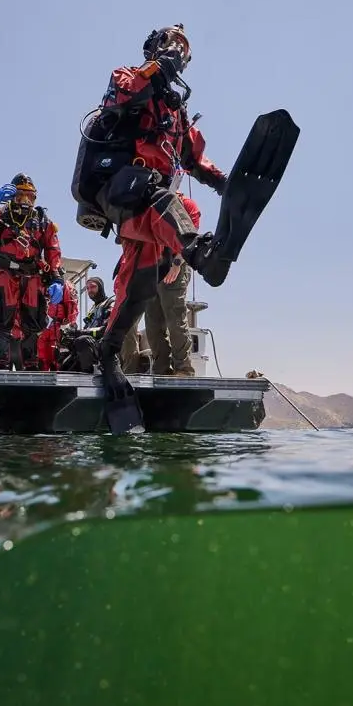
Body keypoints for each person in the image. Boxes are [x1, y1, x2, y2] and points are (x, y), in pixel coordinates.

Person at [70, 24, 227, 426]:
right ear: (155, 46)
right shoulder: (128, 76)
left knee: (138, 286)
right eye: (173, 43)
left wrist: (225, 183)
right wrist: (157, 69)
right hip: (122, 190)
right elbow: (124, 94)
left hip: (152, 213)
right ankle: (198, 251)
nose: (179, 51)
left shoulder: (176, 110)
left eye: (185, 49)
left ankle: (107, 354)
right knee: (172, 204)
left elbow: (193, 158)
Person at [0, 173, 63, 370]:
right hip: (5, 273)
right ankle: (0, 363)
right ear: (11, 196)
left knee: (33, 319)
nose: (25, 201)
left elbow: (53, 250)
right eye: (20, 196)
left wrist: (57, 278)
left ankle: (31, 364)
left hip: (32, 275)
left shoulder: (43, 223)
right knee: (2, 317)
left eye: (29, 197)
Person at [145, 195, 201, 375]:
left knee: (175, 319)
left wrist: (177, 263)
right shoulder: (151, 203)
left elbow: (191, 239)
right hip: (153, 269)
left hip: (175, 265)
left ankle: (183, 369)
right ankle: (161, 369)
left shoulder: (187, 204)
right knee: (152, 323)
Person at [37, 270, 79, 371]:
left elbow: (72, 304)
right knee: (42, 359)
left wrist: (69, 323)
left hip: (57, 327)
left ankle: (60, 382)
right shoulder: (39, 284)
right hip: (42, 328)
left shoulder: (65, 286)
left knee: (57, 358)